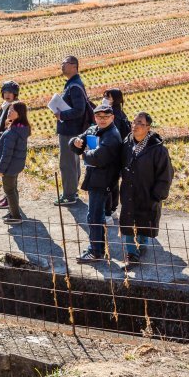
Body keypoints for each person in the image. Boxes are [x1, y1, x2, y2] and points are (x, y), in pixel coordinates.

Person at [118, 112, 173, 264]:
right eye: (134, 122)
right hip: (129, 191)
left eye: (140, 123)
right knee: (128, 220)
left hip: (147, 193)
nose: (135, 125)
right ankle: (131, 253)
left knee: (144, 221)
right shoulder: (126, 143)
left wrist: (157, 195)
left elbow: (166, 174)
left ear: (148, 128)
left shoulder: (158, 149)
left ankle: (142, 244)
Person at [71, 103, 123, 262]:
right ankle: (98, 248)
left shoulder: (112, 135)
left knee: (93, 216)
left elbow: (98, 158)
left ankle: (95, 251)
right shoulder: (93, 129)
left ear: (112, 117)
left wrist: (84, 153)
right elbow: (78, 140)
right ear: (95, 117)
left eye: (106, 117)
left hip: (104, 180)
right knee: (97, 215)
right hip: (95, 178)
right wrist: (76, 141)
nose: (102, 120)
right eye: (99, 117)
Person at [55, 55, 90, 206]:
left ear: (74, 66)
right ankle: (72, 191)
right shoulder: (73, 84)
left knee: (67, 162)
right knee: (73, 162)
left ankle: (69, 195)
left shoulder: (74, 86)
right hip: (73, 129)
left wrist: (61, 114)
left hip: (70, 130)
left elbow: (79, 110)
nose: (62, 65)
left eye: (65, 63)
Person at [0, 100, 30, 225]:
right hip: (16, 165)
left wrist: (1, 169)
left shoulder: (12, 132)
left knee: (9, 190)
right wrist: (7, 127)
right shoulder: (21, 128)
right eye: (9, 109)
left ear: (19, 113)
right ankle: (13, 211)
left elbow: (6, 154)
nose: (9, 112)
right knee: (13, 189)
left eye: (12, 110)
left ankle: (15, 216)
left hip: (9, 167)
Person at [102, 88, 131, 222]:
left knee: (107, 183)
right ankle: (113, 210)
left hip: (110, 154)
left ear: (115, 99)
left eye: (108, 97)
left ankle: (107, 212)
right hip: (119, 154)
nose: (105, 98)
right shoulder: (121, 114)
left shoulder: (112, 115)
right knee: (114, 183)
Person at [0, 80, 20, 210]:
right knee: (6, 173)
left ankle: (10, 199)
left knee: (9, 174)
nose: (7, 95)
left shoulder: (14, 108)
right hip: (2, 142)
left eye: (10, 92)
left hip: (10, 145)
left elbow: (11, 129)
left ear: (15, 94)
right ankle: (8, 196)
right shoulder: (4, 106)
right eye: (5, 92)